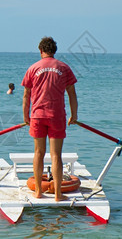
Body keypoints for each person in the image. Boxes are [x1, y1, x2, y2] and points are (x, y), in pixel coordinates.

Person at [22, 37, 78, 201]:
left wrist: (26, 116)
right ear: (54, 51)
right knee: (56, 155)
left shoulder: (33, 68)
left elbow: (26, 96)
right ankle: (58, 195)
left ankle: (38, 192)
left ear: (41, 51)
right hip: (57, 116)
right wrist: (75, 115)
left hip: (37, 116)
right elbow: (72, 93)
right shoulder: (64, 68)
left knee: (38, 153)